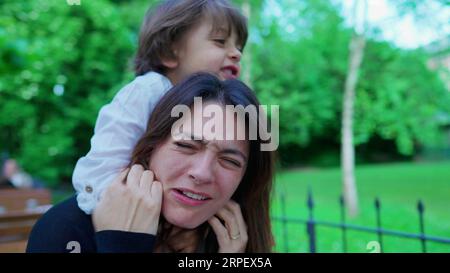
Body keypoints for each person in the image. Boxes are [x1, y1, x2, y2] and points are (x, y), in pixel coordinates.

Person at [27, 73, 275, 253]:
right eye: (186, 146)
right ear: (149, 149)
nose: (202, 173)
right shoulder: (65, 229)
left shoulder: (232, 246)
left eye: (229, 160)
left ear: (245, 178)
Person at [72, 0, 248, 215]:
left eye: (239, 47)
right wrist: (115, 212)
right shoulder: (147, 91)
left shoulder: (212, 108)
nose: (237, 54)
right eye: (220, 41)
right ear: (169, 52)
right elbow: (103, 165)